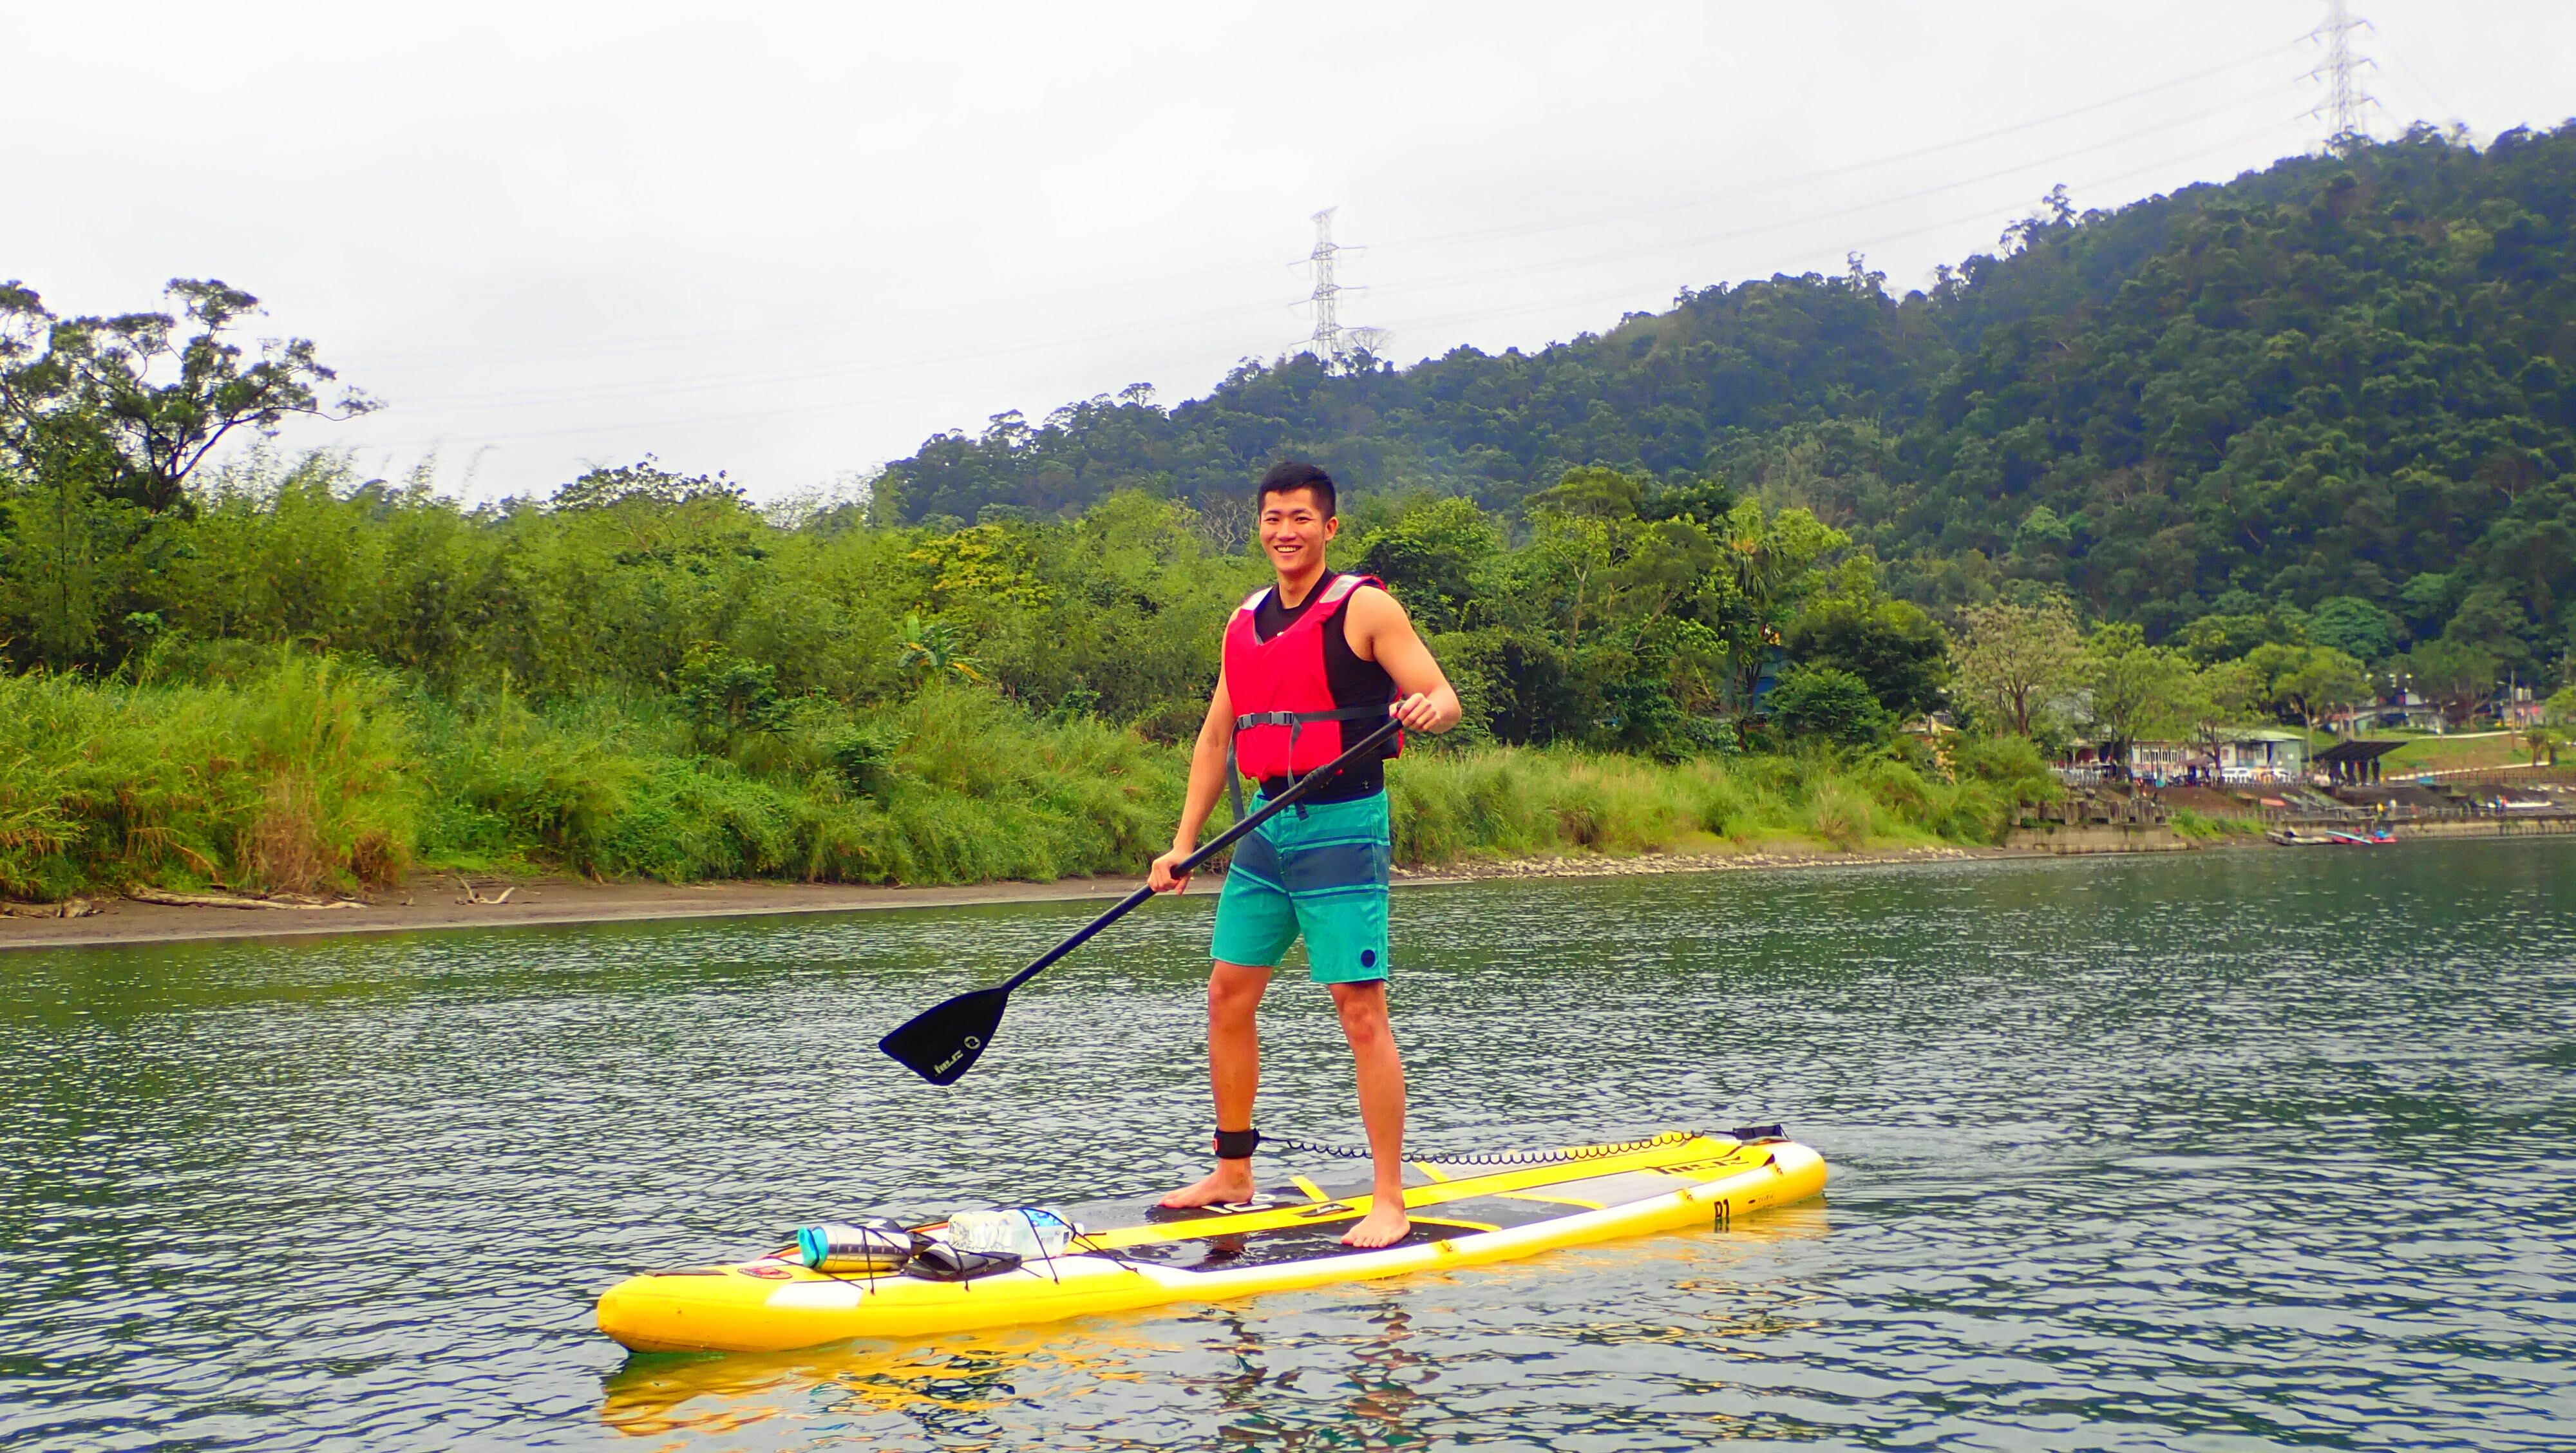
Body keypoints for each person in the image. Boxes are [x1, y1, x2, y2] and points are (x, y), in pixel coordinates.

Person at [1147, 460, 1462, 1248]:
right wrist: (1183, 845)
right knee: (1227, 994)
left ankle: (1388, 1198)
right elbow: (1218, 737)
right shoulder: (1243, 620)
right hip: (1262, 826)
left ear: (1329, 527)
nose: (1284, 531)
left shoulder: (1365, 608)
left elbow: (1445, 698)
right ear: (1259, 526)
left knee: (1359, 1010)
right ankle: (1233, 1171)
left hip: (1342, 825)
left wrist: (1427, 709)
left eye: (1300, 518)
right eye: (1272, 518)